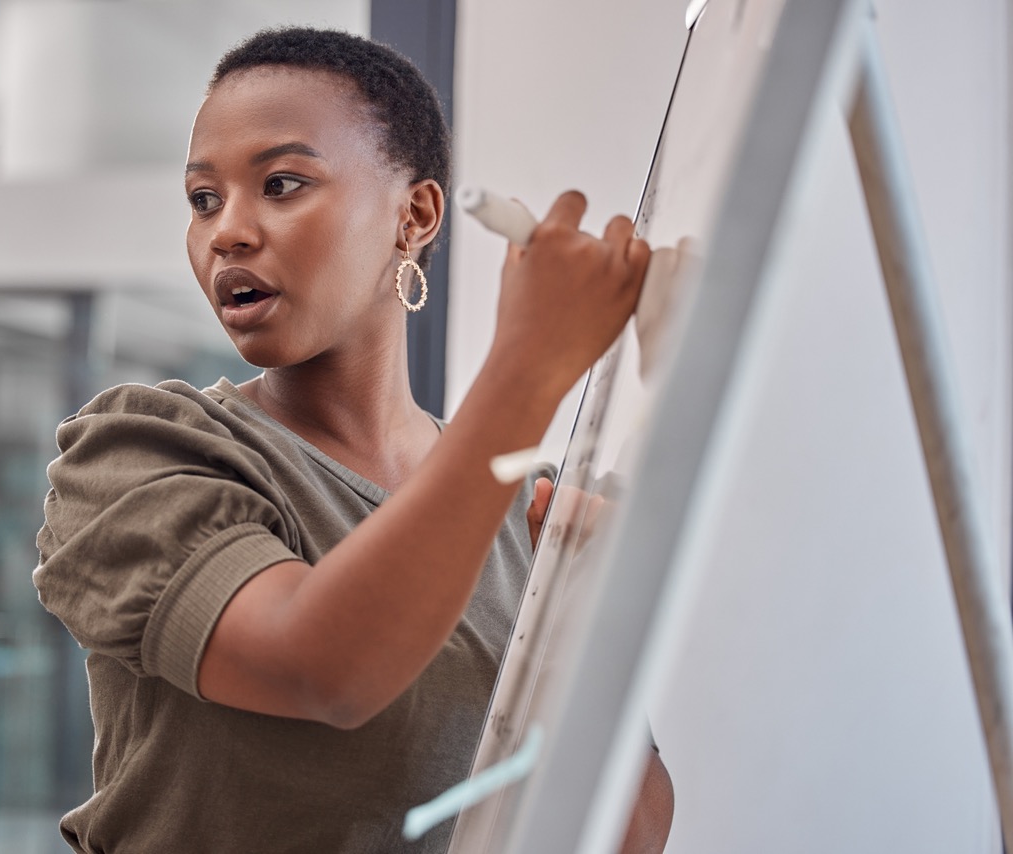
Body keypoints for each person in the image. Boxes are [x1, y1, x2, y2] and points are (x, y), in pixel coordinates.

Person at [34, 26, 673, 854]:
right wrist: (528, 367)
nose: (227, 230)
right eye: (203, 199)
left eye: (282, 183)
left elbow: (633, 836)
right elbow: (324, 668)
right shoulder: (135, 454)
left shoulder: (530, 513)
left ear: (414, 216)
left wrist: (589, 620)